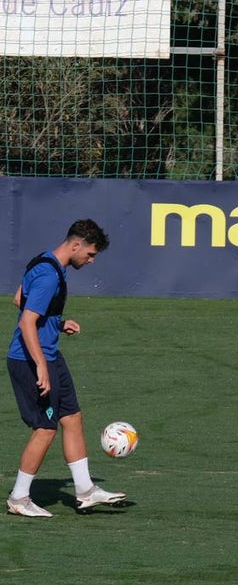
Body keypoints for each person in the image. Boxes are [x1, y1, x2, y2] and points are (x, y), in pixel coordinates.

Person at [6, 219, 126, 518]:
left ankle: (85, 490)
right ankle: (19, 498)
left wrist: (57, 324)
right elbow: (26, 321)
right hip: (31, 360)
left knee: (72, 417)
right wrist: (41, 367)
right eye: (90, 254)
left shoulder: (44, 262)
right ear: (76, 245)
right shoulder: (49, 275)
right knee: (45, 429)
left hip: (50, 356)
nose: (91, 260)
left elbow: (19, 298)